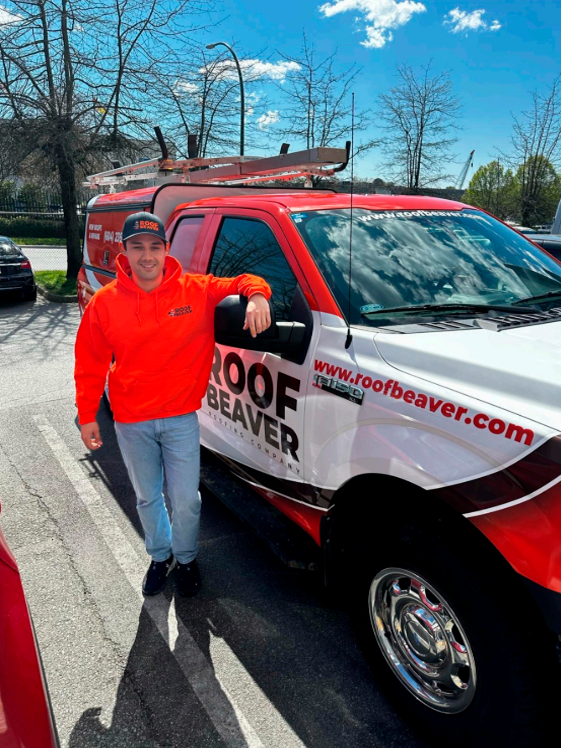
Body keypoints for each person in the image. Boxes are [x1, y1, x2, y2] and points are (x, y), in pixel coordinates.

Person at [74, 212, 271, 597]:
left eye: (154, 246)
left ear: (166, 249)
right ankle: (160, 556)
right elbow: (90, 362)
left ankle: (186, 558)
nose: (146, 255)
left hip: (181, 418)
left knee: (185, 502)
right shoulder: (105, 302)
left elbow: (245, 280)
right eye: (137, 247)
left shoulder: (195, 289)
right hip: (131, 421)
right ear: (125, 252)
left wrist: (259, 296)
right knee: (148, 497)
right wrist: (87, 416)